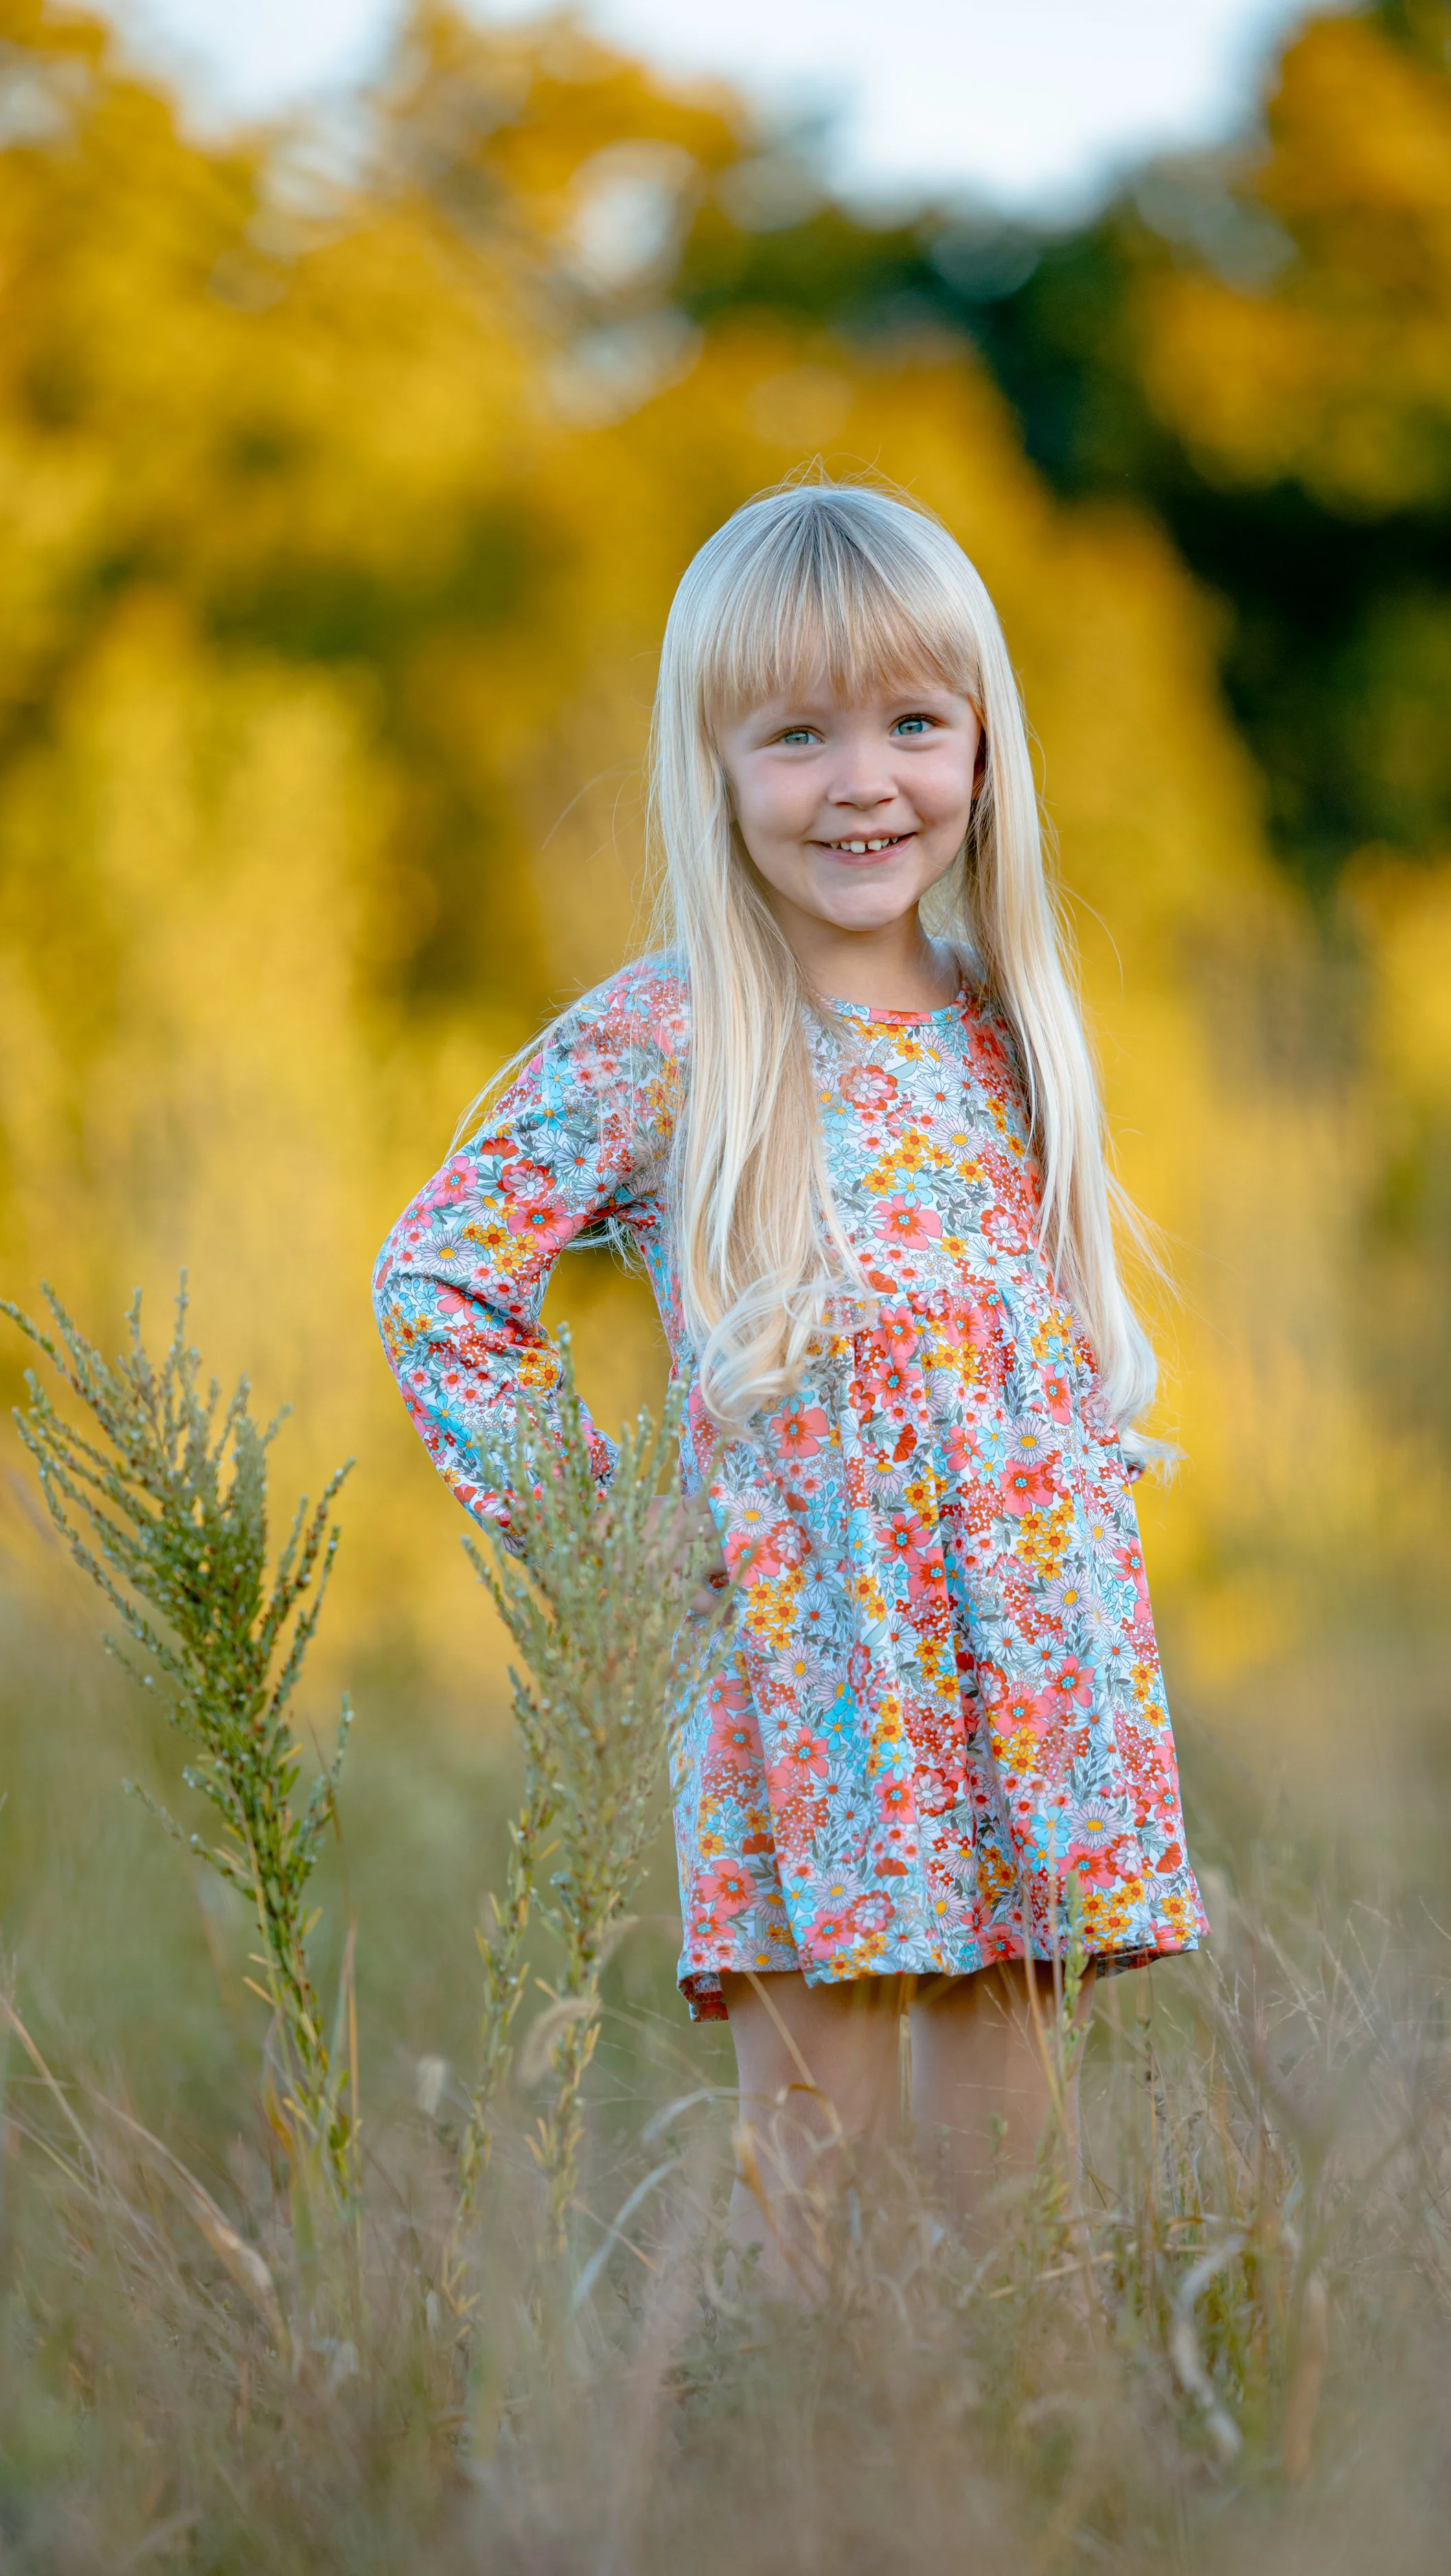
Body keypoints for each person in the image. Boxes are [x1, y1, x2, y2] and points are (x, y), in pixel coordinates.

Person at [374, 477, 1205, 2285]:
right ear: (715, 764)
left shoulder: (1010, 1020)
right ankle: (792, 2493)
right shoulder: (669, 1034)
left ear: (983, 749)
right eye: (796, 735)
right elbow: (440, 1281)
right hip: (800, 1666)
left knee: (1018, 2206)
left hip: (1023, 1659)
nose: (863, 782)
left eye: (914, 723)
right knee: (808, 2179)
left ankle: (1023, 2491)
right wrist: (604, 1539)